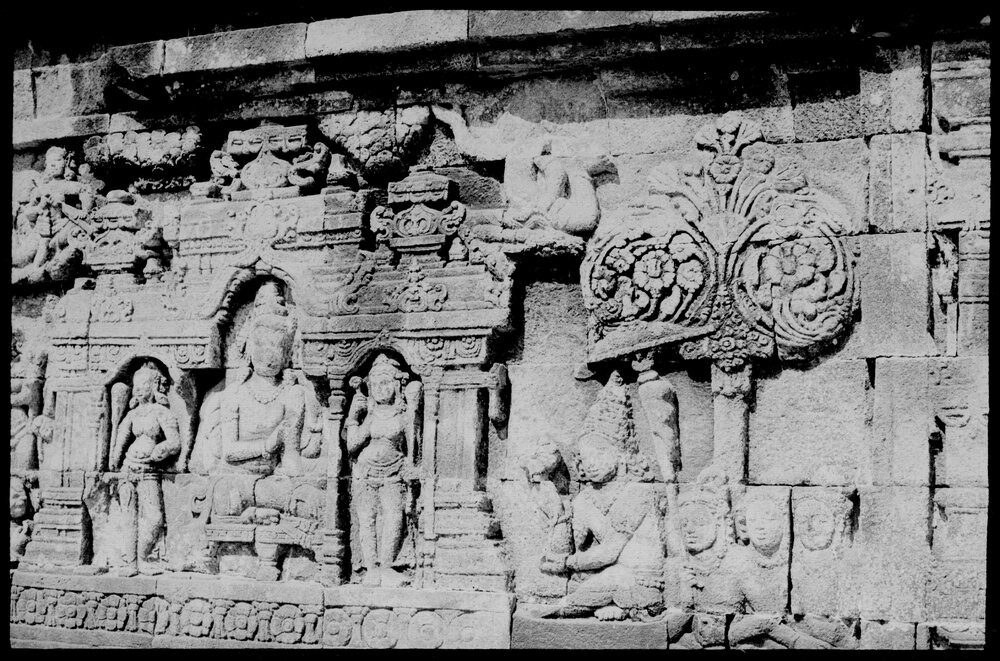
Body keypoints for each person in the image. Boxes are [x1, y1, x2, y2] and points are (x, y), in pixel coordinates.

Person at [345, 352, 422, 587]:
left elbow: (414, 447)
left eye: (386, 382)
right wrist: (353, 416)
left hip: (394, 472)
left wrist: (412, 467)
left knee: (394, 517)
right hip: (365, 473)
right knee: (366, 519)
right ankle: (370, 568)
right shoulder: (369, 415)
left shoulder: (405, 414)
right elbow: (351, 446)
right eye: (375, 383)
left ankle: (387, 566)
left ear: (397, 385)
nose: (380, 388)